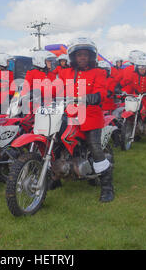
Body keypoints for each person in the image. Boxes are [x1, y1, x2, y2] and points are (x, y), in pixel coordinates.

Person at [58, 38, 113, 203]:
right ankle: (53, 177)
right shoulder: (65, 72)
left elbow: (101, 91)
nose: (82, 58)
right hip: (69, 114)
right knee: (55, 140)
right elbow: (55, 86)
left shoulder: (99, 72)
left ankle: (107, 188)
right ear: (73, 57)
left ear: (91, 57)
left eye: (85, 55)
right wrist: (37, 91)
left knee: (95, 148)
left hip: (90, 116)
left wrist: (93, 96)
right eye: (79, 55)